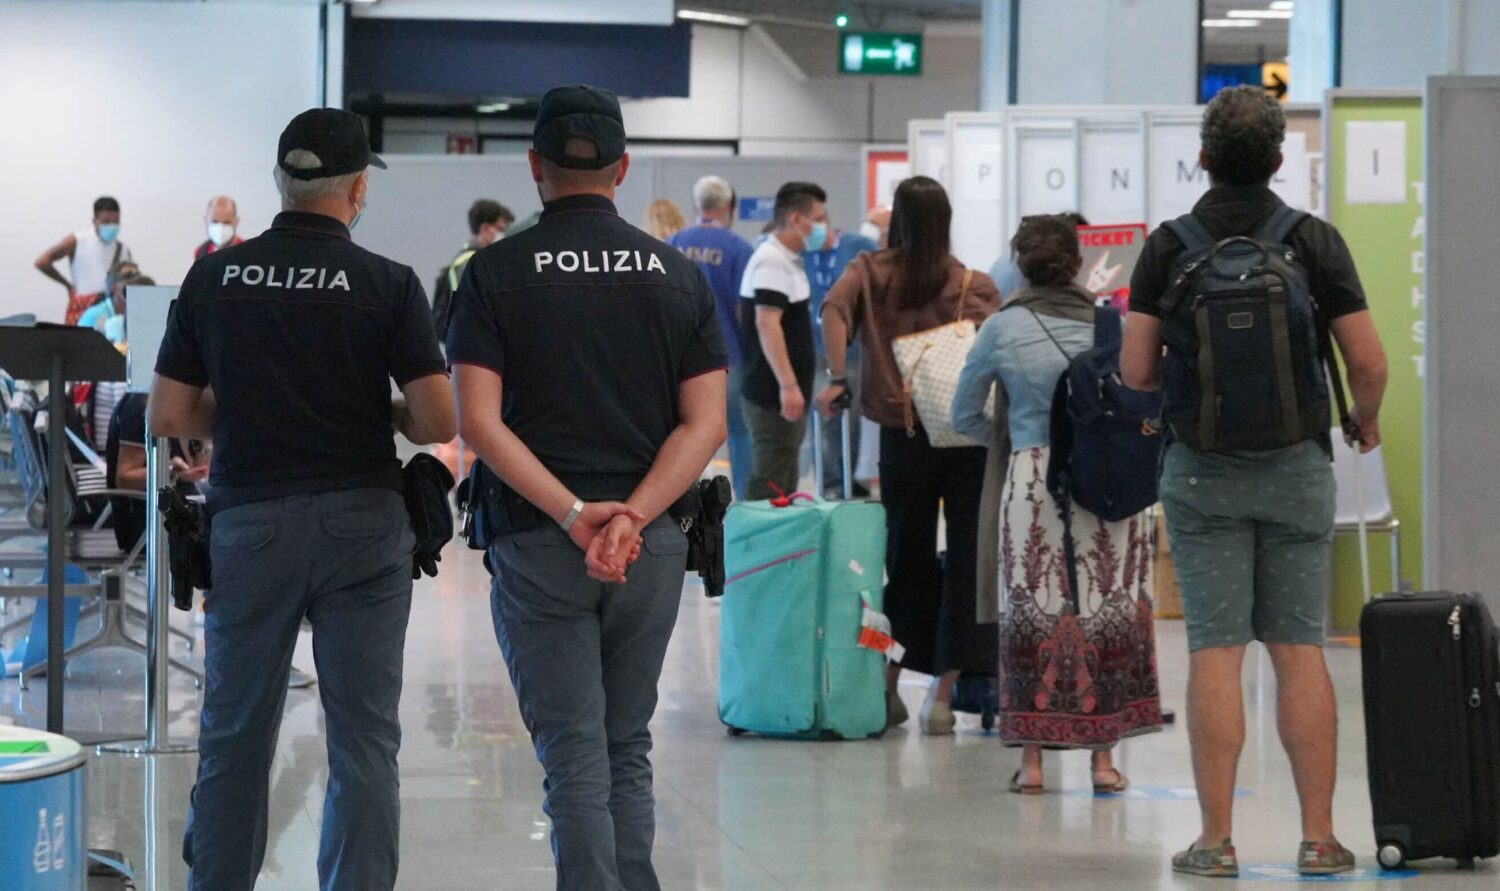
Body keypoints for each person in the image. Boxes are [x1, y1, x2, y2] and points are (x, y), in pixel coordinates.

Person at [150, 107, 455, 890]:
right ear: (358, 189)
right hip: (363, 522)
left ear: (280, 183)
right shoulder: (387, 283)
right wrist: (378, 410)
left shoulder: (215, 276)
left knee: (234, 737)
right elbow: (437, 419)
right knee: (364, 742)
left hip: (250, 523)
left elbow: (171, 414)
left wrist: (250, 410)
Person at [447, 84, 727, 891]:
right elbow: (703, 425)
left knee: (574, 753)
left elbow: (481, 424)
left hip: (539, 539)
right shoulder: (676, 277)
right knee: (624, 745)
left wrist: (575, 514)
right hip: (652, 543)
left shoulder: (493, 274)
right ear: (623, 168)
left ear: (535, 167)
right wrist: (632, 515)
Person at [1120, 85, 1388, 878]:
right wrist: (1362, 419)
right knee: (1299, 649)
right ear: (1278, 160)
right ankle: (1319, 837)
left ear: (1201, 156)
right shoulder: (1314, 242)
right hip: (1297, 468)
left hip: (1201, 472)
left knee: (1216, 651)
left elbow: (1136, 371)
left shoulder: (1167, 246)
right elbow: (1367, 361)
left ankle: (1215, 839)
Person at [952, 214, 1163, 791]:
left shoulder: (1000, 328)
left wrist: (1013, 434)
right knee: (1105, 611)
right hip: (1106, 479)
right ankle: (1103, 762)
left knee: (1031, 616)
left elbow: (962, 414)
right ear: (1077, 263)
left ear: (1020, 264)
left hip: (1032, 477)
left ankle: (1033, 765)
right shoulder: (1111, 324)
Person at [818, 176, 1000, 733]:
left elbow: (831, 311)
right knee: (969, 564)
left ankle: (889, 685)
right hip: (966, 439)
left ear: (897, 217)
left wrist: (835, 376)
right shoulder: (971, 281)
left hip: (902, 436)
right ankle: (942, 698)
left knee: (902, 562)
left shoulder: (870, 272)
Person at [668, 175, 754, 499]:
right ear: (729, 207)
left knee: (681, 433)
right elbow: (744, 311)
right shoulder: (740, 250)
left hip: (677, 361)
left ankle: (680, 498)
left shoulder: (673, 243)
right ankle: (745, 501)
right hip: (728, 358)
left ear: (695, 206)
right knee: (741, 434)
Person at [739, 182, 825, 499]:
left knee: (783, 485)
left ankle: (779, 549)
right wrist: (788, 385)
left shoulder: (788, 259)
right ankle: (757, 547)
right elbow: (767, 322)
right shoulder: (771, 261)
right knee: (770, 485)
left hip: (782, 394)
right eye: (817, 217)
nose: (822, 226)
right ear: (795, 219)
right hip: (770, 395)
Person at [804, 211, 877, 498]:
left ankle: (852, 481)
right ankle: (831, 483)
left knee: (853, 416)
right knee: (825, 417)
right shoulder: (804, 254)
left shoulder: (858, 247)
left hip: (852, 348)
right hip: (816, 348)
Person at [35, 196, 132, 325]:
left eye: (116, 221)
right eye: (106, 222)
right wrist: (67, 285)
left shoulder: (122, 249)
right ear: (94, 221)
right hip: (82, 309)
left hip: (109, 314)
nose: (112, 226)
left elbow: (129, 284)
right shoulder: (77, 241)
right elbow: (42, 262)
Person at [431, 198, 514, 339]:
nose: (503, 235)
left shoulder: (481, 260)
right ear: (485, 228)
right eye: (500, 229)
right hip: (473, 344)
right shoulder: (469, 263)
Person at [194, 195, 244, 261]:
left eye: (226, 222)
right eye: (215, 222)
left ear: (236, 222)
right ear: (206, 220)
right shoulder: (201, 252)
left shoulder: (247, 252)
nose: (220, 228)